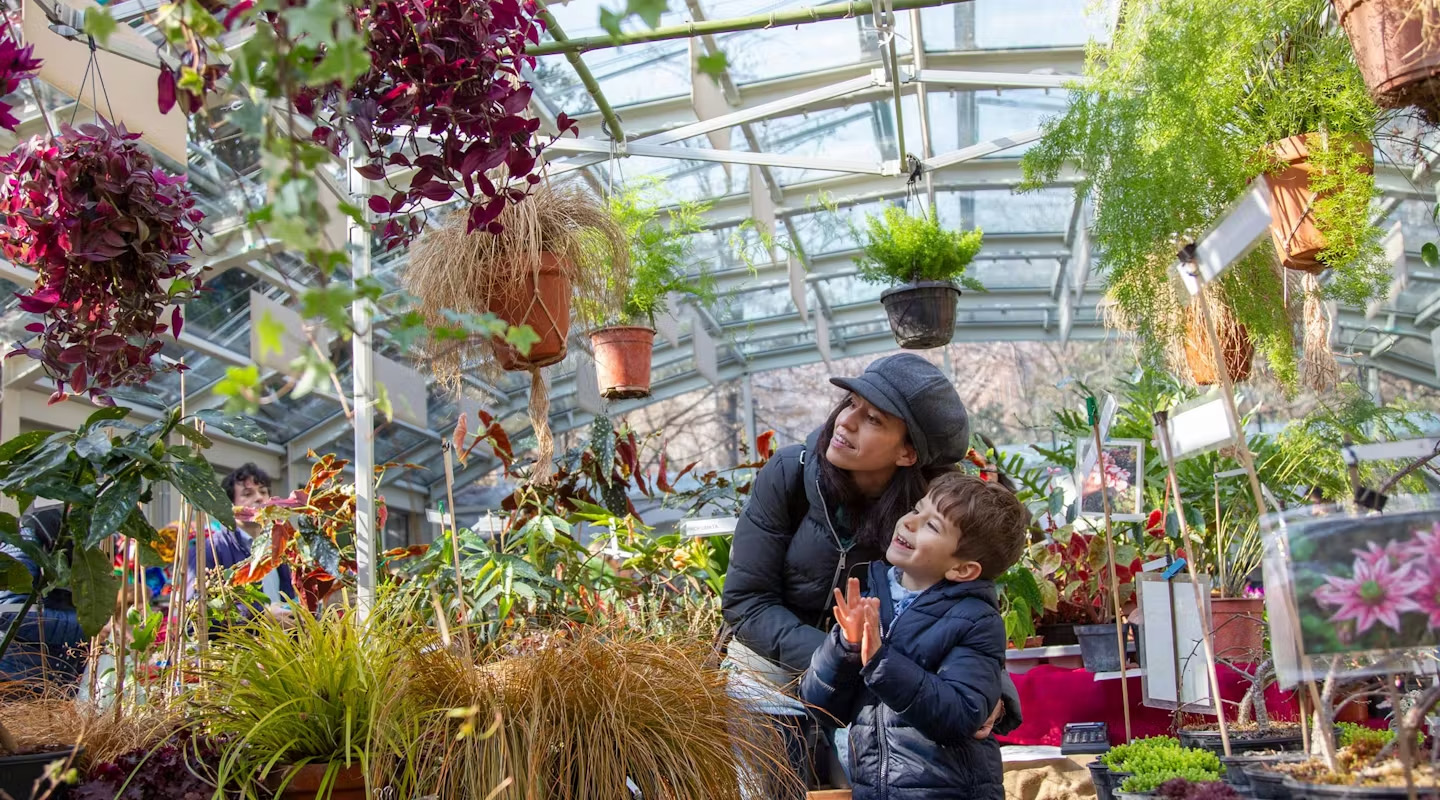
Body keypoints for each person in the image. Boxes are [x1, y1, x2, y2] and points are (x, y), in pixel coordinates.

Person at [720, 353, 1019, 791]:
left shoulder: (930, 508)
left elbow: (968, 599)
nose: (846, 421)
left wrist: (996, 691)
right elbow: (746, 602)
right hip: (778, 664)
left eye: (874, 419)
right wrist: (843, 654)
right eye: (850, 403)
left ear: (907, 452)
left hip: (874, 667)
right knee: (775, 785)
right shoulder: (789, 472)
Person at [800, 473, 1030, 800]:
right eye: (915, 509)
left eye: (932, 526)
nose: (909, 522)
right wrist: (845, 648)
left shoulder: (975, 619)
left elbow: (960, 715)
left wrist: (880, 662)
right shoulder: (871, 598)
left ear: (962, 569)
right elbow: (819, 707)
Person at [0, 506, 87, 685]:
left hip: (45, 674)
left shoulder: (45, 540)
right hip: (17, 675)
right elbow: (9, 614)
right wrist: (87, 629)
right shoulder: (23, 549)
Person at [187, 463, 294, 603]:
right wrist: (262, 615)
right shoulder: (209, 551)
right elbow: (196, 610)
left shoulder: (278, 545)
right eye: (248, 494)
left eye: (263, 492)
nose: (259, 498)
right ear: (230, 505)